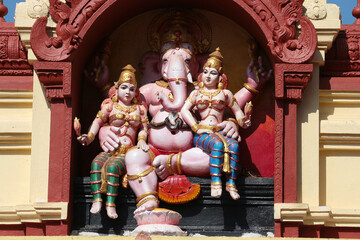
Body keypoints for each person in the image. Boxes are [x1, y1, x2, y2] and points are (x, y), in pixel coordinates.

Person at [75, 64, 149, 219]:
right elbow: (97, 122)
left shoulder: (140, 109)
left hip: (128, 151)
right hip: (110, 149)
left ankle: (110, 204)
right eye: (123, 87)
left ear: (135, 91)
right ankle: (97, 200)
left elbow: (143, 128)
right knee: (96, 164)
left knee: (114, 168)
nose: (127, 92)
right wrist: (89, 137)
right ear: (116, 89)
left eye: (131, 88)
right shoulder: (110, 106)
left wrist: (142, 140)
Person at [181, 48, 251, 200]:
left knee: (234, 146)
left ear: (220, 77)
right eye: (205, 72)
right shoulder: (196, 93)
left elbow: (238, 112)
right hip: (203, 133)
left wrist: (244, 121)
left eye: (213, 73)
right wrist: (195, 127)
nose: (208, 76)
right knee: (218, 145)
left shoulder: (226, 94)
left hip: (220, 131)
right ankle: (216, 183)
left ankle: (231, 184)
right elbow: (184, 110)